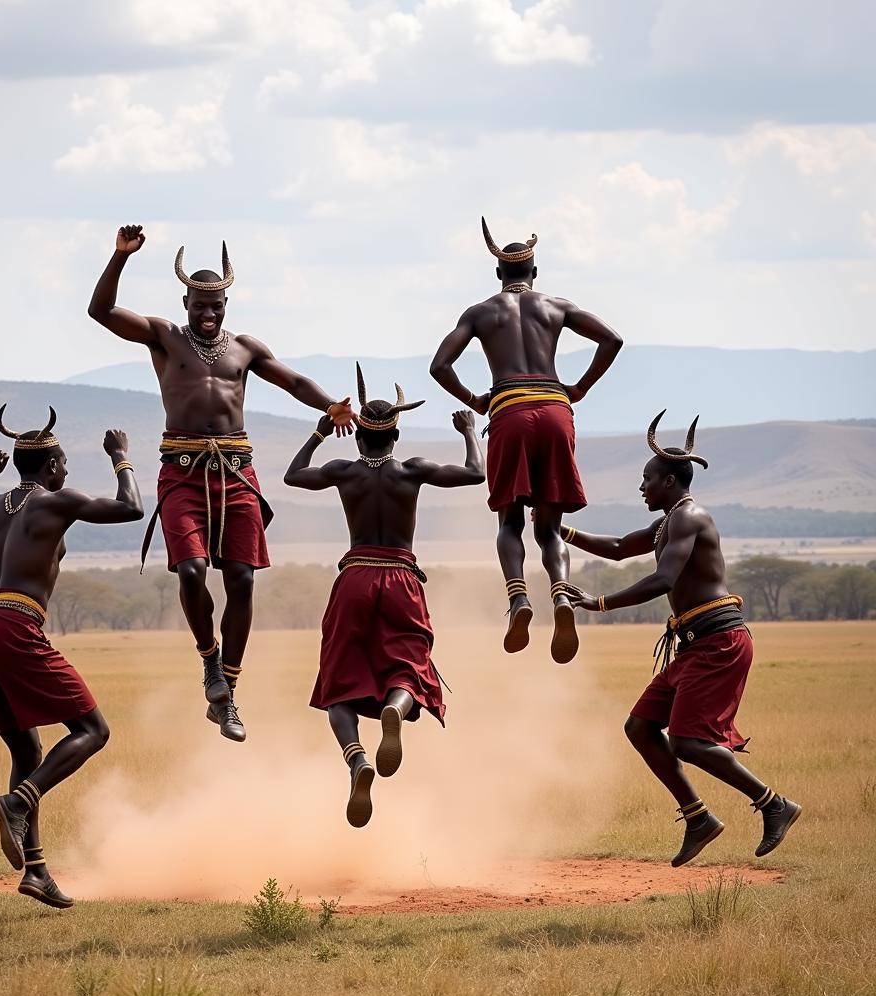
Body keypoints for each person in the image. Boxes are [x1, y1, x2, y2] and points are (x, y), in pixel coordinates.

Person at [88, 225, 354, 742]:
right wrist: (119, 258)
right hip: (183, 470)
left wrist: (330, 406)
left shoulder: (246, 347)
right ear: (185, 303)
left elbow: (293, 380)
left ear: (227, 304)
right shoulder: (164, 336)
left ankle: (228, 692)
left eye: (217, 307)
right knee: (189, 571)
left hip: (236, 473)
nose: (208, 316)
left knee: (243, 580)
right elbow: (101, 313)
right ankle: (209, 660)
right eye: (199, 307)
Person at [565, 411, 802, 866]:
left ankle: (774, 804)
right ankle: (699, 819)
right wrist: (560, 530)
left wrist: (598, 604)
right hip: (695, 645)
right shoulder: (667, 521)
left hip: (719, 642)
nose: (641, 488)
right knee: (640, 728)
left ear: (670, 481)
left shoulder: (689, 518)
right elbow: (617, 548)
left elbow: (661, 579)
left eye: (647, 479)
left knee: (689, 742)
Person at [0, 407, 144, 906]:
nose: (65, 472)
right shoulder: (57, 502)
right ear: (53, 467)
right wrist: (121, 458)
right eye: (63, 465)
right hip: (15, 625)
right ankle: (19, 802)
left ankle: (36, 870)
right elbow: (131, 509)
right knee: (93, 731)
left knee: (26, 752)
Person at [284, 365, 485, 826]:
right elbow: (475, 473)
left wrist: (320, 430)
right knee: (408, 664)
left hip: (354, 578)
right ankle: (396, 708)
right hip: (400, 577)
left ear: (358, 439)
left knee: (339, 677)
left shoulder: (344, 471)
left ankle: (357, 758)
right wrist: (470, 430)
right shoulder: (412, 471)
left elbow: (295, 476)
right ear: (395, 437)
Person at [430, 218, 623, 663]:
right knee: (550, 527)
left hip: (510, 411)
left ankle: (518, 599)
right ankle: (560, 594)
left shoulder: (481, 313)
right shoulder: (557, 306)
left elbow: (440, 366)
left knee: (510, 521)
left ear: (499, 274)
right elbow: (611, 339)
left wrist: (476, 400)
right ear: (535, 271)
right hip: (556, 410)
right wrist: (580, 388)